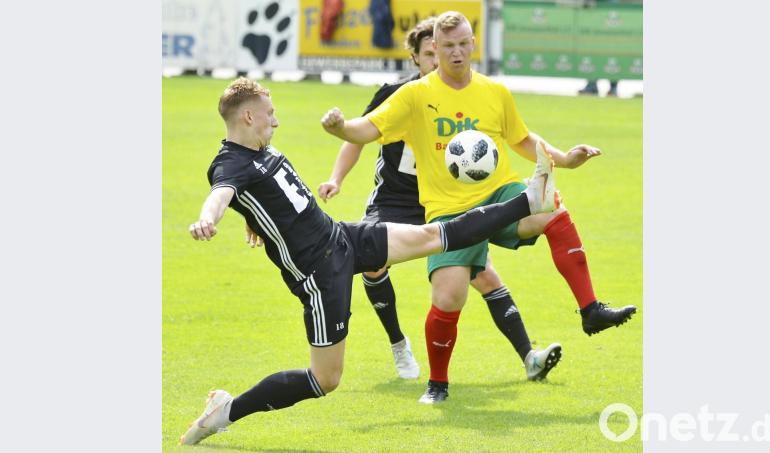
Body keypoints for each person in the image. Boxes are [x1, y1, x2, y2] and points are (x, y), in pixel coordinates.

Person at [180, 77, 559, 445]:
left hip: (343, 237)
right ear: (248, 118)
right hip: (319, 274)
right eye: (270, 113)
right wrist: (207, 219)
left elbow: (263, 194)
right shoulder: (229, 163)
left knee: (435, 237)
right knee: (325, 379)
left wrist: (253, 219)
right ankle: (225, 412)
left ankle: (528, 200)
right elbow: (222, 193)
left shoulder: (260, 149)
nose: (275, 120)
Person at [320, 11, 637, 404]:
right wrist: (340, 128)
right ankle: (437, 384)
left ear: (474, 44)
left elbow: (521, 139)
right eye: (447, 46)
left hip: (499, 194)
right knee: (449, 297)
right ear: (434, 48)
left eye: (462, 44)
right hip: (450, 213)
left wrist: (564, 159)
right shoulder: (414, 95)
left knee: (550, 205)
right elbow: (366, 130)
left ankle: (590, 308)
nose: (455, 52)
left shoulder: (494, 92)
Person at [317, 17, 559, 383]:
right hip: (395, 200)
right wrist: (336, 178)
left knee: (485, 276)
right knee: (371, 262)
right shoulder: (400, 94)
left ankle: (530, 356)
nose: (439, 59)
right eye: (431, 53)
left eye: (441, 51)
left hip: (446, 200)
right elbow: (359, 136)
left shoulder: (464, 92)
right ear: (415, 57)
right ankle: (399, 344)